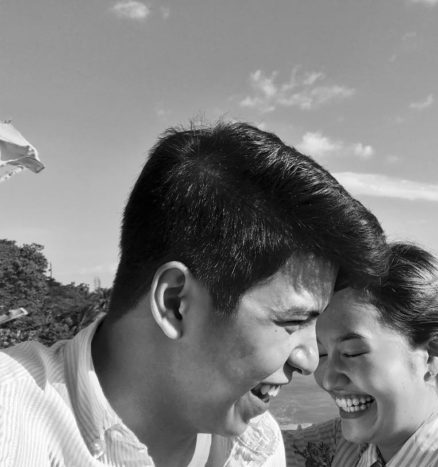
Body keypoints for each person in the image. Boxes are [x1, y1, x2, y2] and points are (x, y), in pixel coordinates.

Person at [0, 121, 387, 466]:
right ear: (175, 304)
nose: (308, 360)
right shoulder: (11, 426)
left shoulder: (257, 446)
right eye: (293, 321)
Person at [284, 242, 438, 467]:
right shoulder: (339, 447)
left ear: (431, 355)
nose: (328, 379)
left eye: (352, 352)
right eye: (322, 354)